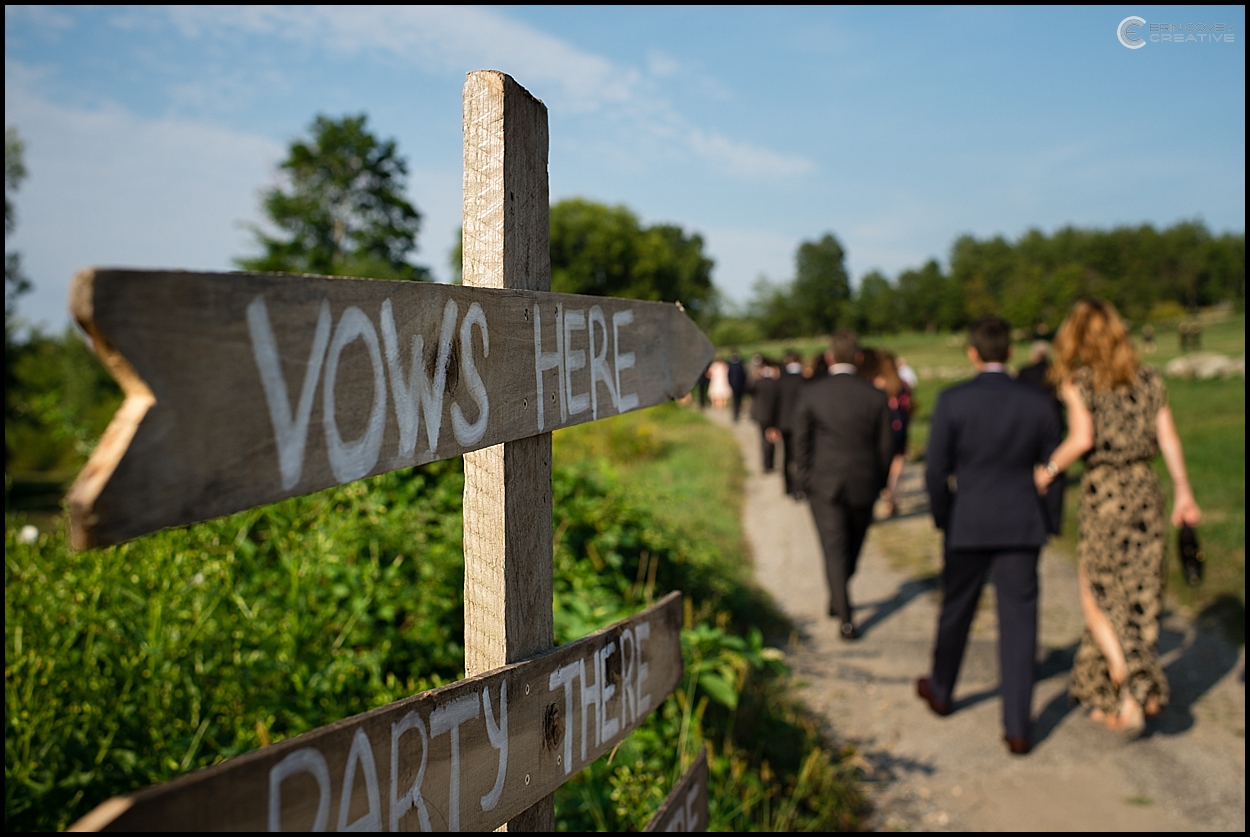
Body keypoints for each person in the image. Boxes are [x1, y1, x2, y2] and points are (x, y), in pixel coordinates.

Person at [1033, 299, 1200, 734]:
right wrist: (1183, 491)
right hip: (1146, 489)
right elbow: (1169, 438)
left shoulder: (1079, 381)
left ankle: (1129, 676)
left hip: (1106, 492)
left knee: (1096, 591)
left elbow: (1082, 438)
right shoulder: (1149, 379)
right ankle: (1113, 696)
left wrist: (1047, 471)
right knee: (1140, 593)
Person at [918, 316, 1061, 755]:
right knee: (1020, 622)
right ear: (1011, 351)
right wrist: (1049, 521)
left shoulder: (953, 401)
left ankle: (942, 690)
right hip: (1021, 522)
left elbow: (936, 469)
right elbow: (1054, 469)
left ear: (973, 353)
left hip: (970, 521)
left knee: (956, 610)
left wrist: (945, 517)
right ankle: (1018, 725)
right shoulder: (1038, 402)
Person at [794, 331, 893, 639]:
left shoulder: (812, 394)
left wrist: (805, 478)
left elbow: (801, 442)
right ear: (859, 357)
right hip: (862, 483)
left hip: (824, 484)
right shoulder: (875, 396)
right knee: (850, 547)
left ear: (829, 357)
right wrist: (880, 480)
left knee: (836, 549)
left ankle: (838, 598)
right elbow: (886, 448)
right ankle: (846, 617)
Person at [750, 357, 780, 473]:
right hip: (773, 413)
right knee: (773, 439)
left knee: (763, 439)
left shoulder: (759, 382)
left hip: (761, 415)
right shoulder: (775, 383)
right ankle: (770, 463)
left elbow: (749, 390)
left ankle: (766, 464)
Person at [727, 351, 747, 422]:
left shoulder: (731, 365)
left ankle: (735, 413)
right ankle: (737, 413)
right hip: (740, 385)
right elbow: (744, 375)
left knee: (735, 400)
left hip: (734, 385)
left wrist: (730, 384)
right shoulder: (741, 365)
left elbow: (729, 376)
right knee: (738, 400)